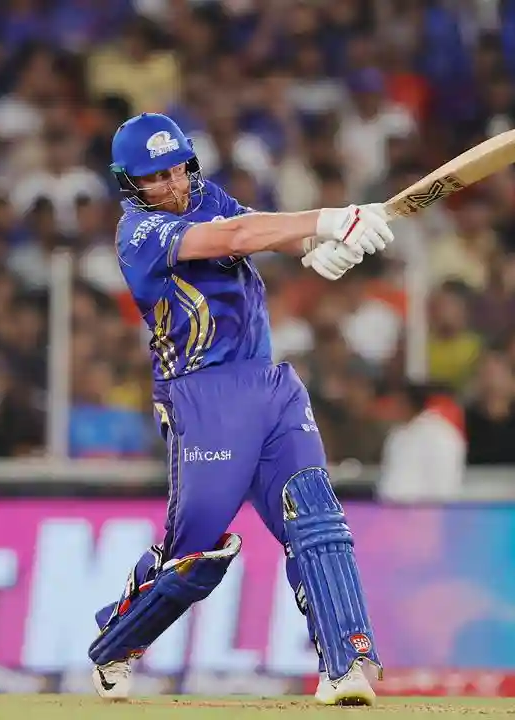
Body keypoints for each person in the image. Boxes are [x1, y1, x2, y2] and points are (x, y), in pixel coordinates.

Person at [87, 113, 392, 705]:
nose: (175, 185)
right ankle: (115, 643)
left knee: (316, 516)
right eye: (157, 177)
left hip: (269, 381)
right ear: (130, 184)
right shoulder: (138, 234)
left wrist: (319, 246)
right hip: (202, 395)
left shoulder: (207, 197)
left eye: (180, 169)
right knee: (195, 554)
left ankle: (345, 664)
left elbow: (259, 229)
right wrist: (328, 219)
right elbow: (232, 238)